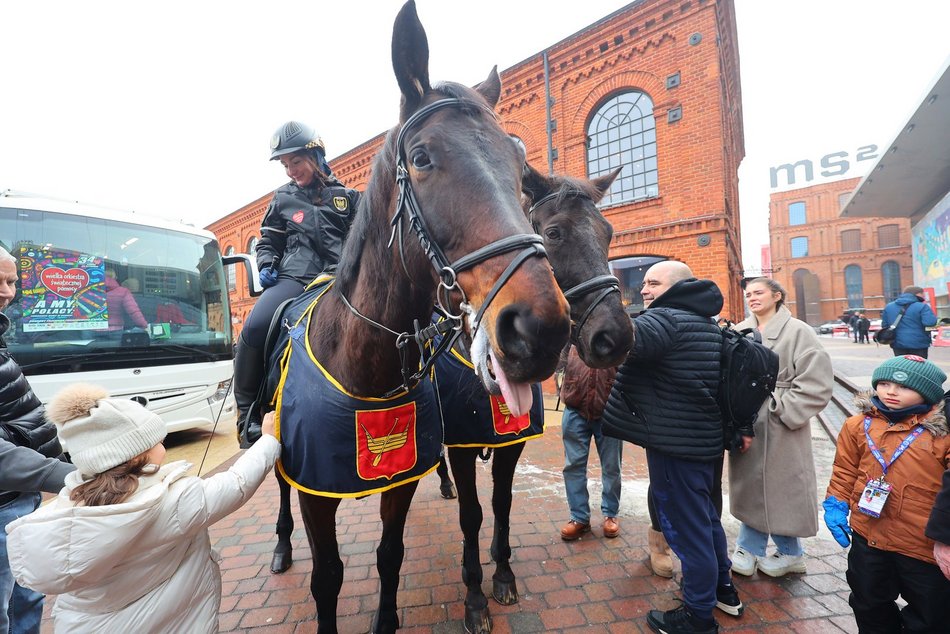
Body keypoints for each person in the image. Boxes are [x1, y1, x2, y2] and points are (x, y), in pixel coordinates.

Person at [5, 383, 281, 633]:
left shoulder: (70, 500)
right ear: (137, 453)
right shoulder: (172, 502)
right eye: (157, 440)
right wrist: (267, 440)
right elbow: (237, 483)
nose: (163, 444)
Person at [232, 121, 360, 575]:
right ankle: (248, 414)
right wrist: (265, 264)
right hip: (294, 280)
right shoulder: (282, 199)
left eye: (297, 160)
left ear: (318, 157)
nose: (291, 169)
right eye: (285, 163)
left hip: (343, 282)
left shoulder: (349, 197)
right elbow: (268, 240)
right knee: (254, 328)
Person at [602, 260, 741, 634]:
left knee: (687, 531)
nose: (644, 290)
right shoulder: (703, 321)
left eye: (653, 283)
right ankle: (723, 589)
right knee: (707, 521)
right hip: (703, 441)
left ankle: (697, 617)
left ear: (677, 287)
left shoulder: (665, 320)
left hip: (676, 446)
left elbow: (610, 340)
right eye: (644, 283)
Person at [823, 355, 950, 632]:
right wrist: (836, 501)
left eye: (904, 387)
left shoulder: (942, 433)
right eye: (884, 383)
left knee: (931, 615)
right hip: (869, 535)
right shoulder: (857, 425)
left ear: (927, 393)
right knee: (868, 602)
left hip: (921, 545)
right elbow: (845, 468)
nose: (891, 391)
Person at [728, 278, 833, 578]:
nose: (752, 298)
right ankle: (767, 550)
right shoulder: (740, 330)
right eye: (748, 294)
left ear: (777, 295)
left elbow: (817, 382)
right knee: (752, 485)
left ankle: (773, 550)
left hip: (783, 424)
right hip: (746, 420)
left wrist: (781, 411)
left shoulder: (799, 331)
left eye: (758, 292)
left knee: (783, 486)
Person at [0, 247, 77, 634]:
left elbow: (18, 409)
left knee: (27, 597)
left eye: (11, 281)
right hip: (4, 504)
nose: (6, 291)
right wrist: (66, 476)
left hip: (21, 497)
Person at [558, 344, 622, 541]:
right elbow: (556, 361)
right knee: (573, 466)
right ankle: (579, 517)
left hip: (609, 411)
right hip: (575, 408)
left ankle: (611, 513)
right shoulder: (571, 330)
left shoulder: (613, 329)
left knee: (611, 466)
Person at [880, 285, 938, 358]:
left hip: (897, 343)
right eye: (922, 295)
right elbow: (930, 322)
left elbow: (884, 325)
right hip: (919, 343)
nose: (924, 297)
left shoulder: (889, 306)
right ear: (917, 294)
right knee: (918, 366)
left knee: (902, 366)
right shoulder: (922, 306)